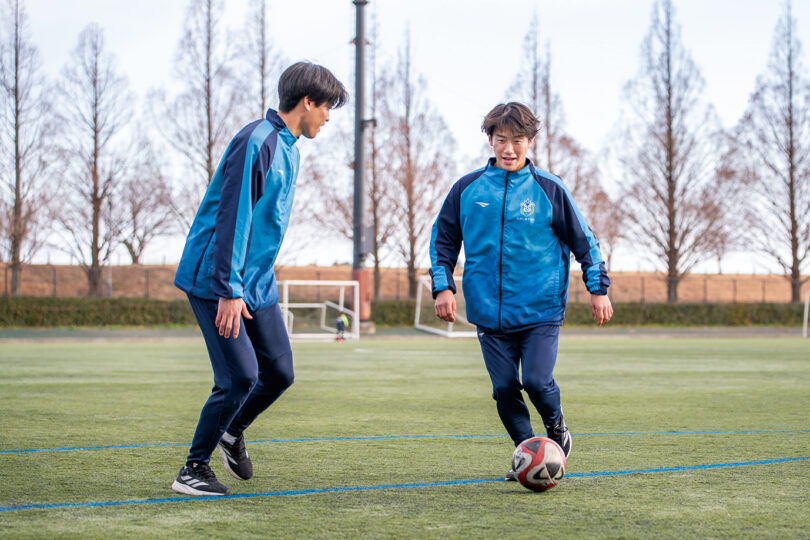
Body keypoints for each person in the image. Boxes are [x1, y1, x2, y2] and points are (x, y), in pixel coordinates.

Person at [171, 62, 348, 496]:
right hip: (217, 279)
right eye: (327, 108)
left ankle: (232, 430)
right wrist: (229, 290)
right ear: (307, 102)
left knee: (280, 372)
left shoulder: (290, 147)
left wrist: (252, 282)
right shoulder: (258, 141)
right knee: (239, 377)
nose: (328, 117)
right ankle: (193, 469)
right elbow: (235, 217)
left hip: (256, 282)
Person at [429, 102, 613, 480]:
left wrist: (598, 289)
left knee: (535, 381)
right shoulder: (466, 189)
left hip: (540, 309)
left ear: (530, 141)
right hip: (487, 312)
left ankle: (556, 426)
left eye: (517, 140)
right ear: (490, 141)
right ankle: (528, 454)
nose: (509, 148)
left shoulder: (550, 188)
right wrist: (442, 287)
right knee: (503, 389)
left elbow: (586, 242)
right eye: (501, 140)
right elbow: (442, 242)